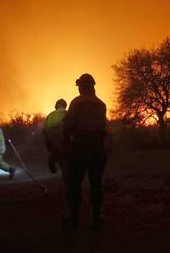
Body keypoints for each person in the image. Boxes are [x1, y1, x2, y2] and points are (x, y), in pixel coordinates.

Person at [63, 73, 107, 230]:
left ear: (82, 86)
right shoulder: (101, 104)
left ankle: (74, 220)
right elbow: (104, 128)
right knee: (96, 184)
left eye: (80, 86)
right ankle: (96, 219)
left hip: (80, 146)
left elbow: (68, 126)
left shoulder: (77, 102)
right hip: (98, 148)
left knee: (75, 184)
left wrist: (65, 146)